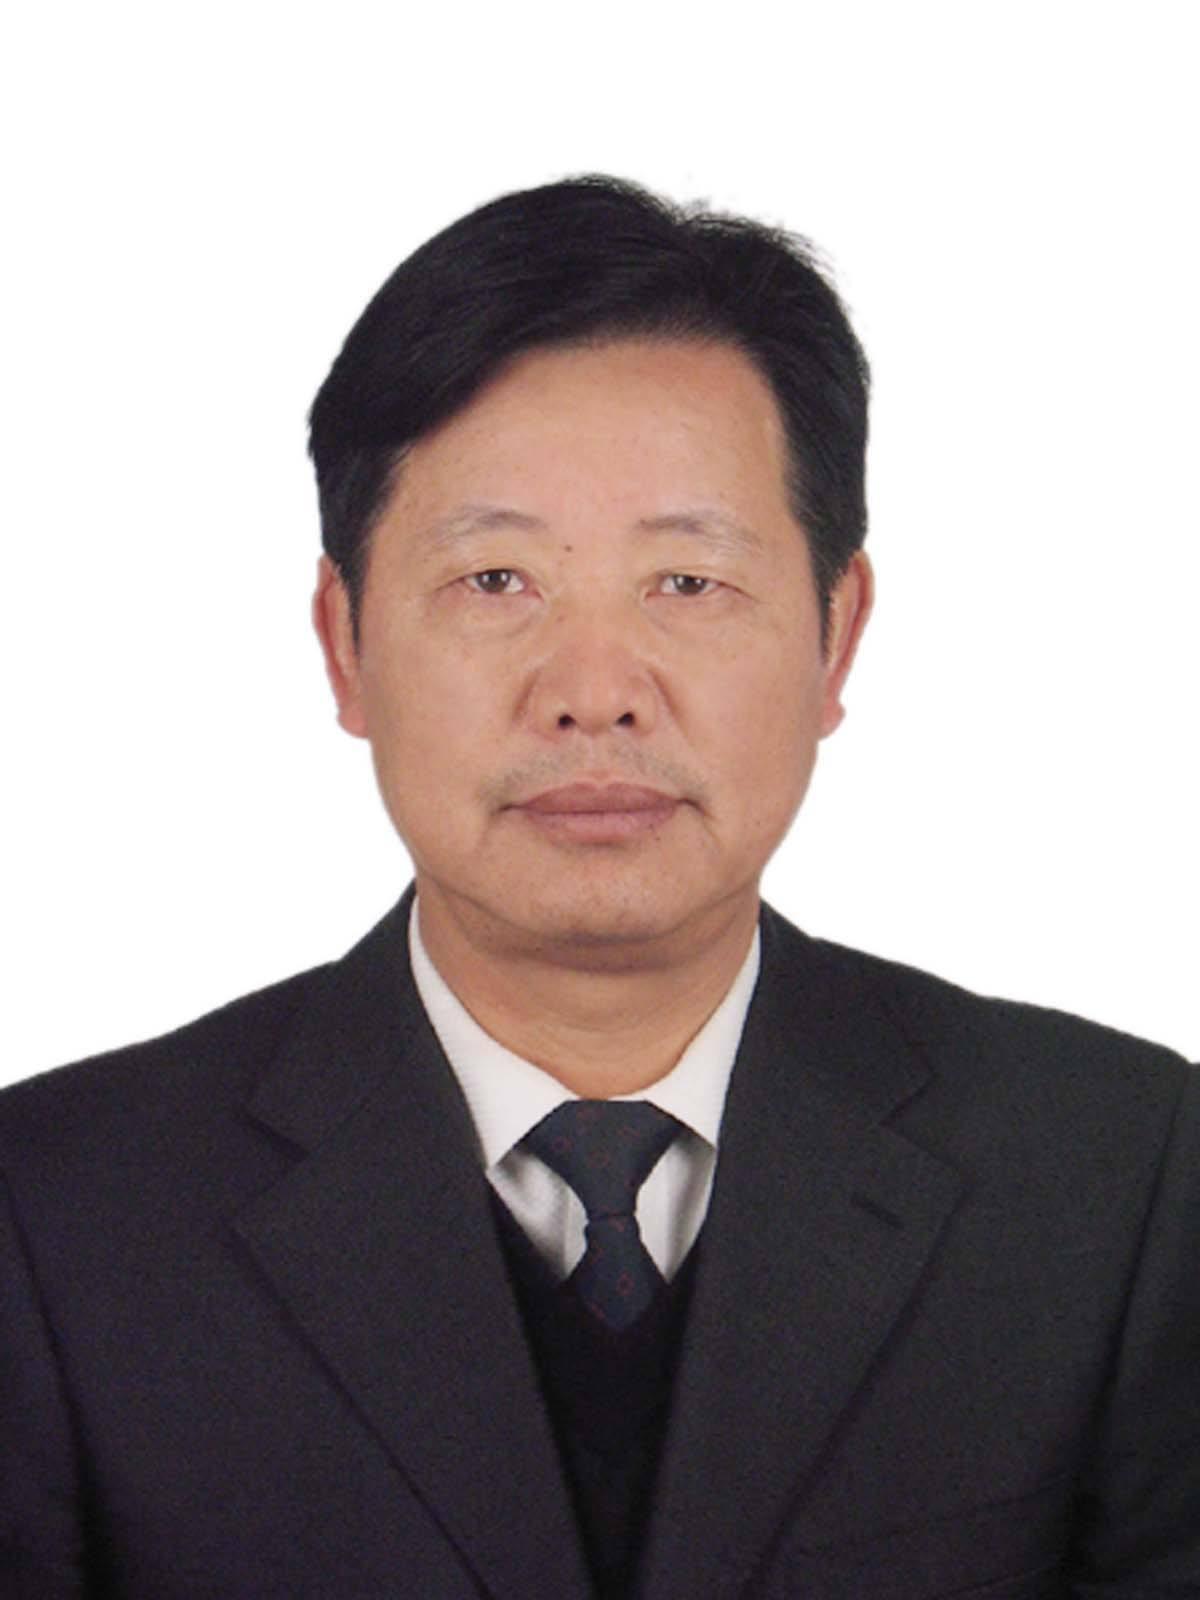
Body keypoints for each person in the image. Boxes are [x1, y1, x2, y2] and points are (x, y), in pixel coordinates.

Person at [1, 175, 1196, 1600]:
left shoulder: (1121, 1179)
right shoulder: (57, 1215)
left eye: (686, 583)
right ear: (344, 643)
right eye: (495, 579)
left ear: (836, 637)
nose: (593, 692)